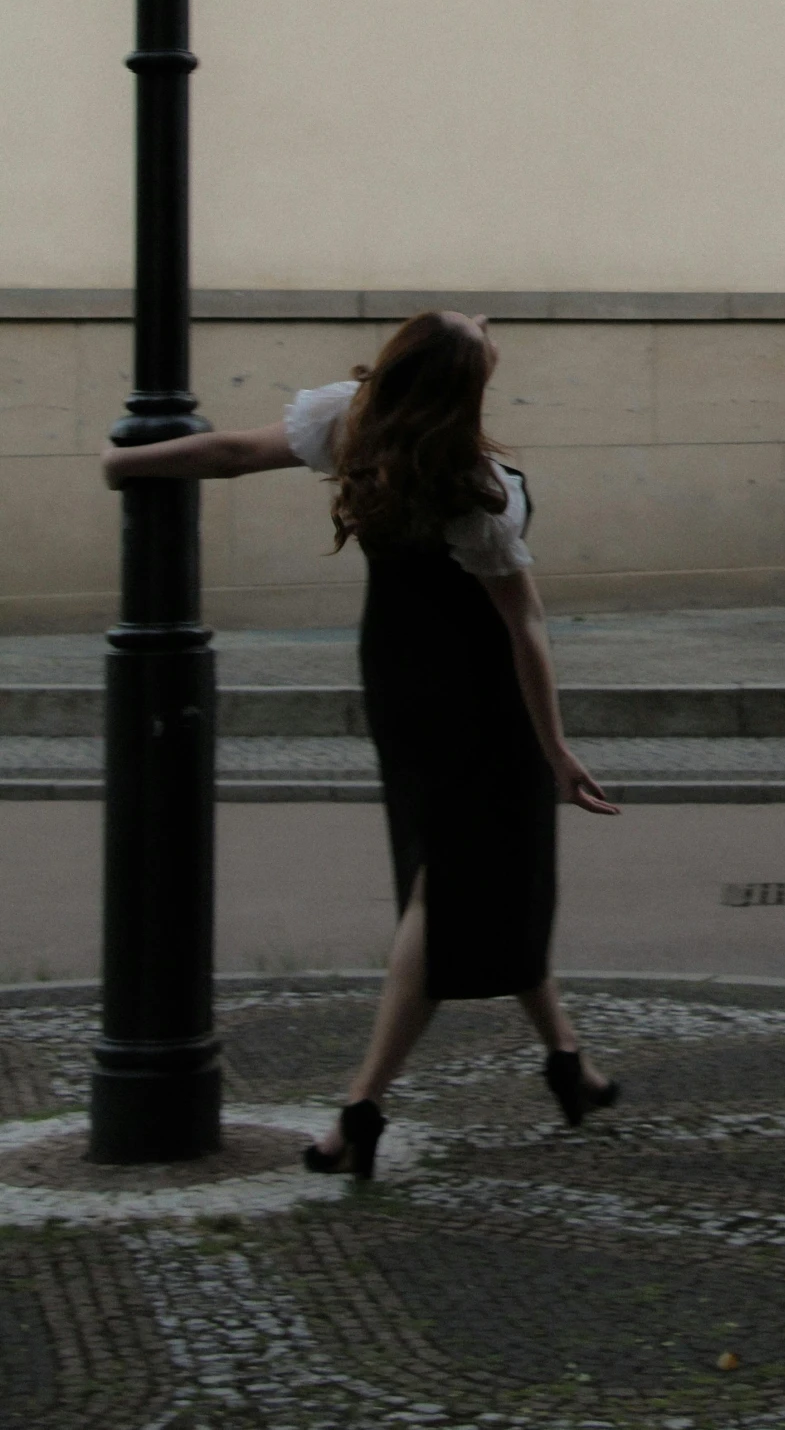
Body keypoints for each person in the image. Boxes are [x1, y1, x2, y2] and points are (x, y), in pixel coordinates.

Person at [102, 308, 621, 1178]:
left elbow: (229, 454)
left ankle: (569, 1063)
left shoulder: (355, 419)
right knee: (452, 888)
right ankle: (360, 1108)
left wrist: (126, 462)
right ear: (467, 380)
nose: (487, 321)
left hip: (397, 678)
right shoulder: (477, 485)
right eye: (476, 328)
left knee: (491, 872)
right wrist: (556, 749)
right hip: (481, 700)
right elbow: (524, 628)